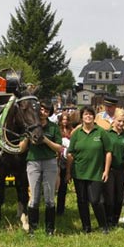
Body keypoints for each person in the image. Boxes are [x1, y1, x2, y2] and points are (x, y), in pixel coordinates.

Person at [66, 106, 112, 234]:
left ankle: (103, 226)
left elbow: (108, 152)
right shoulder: (76, 134)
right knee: (82, 201)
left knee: (95, 200)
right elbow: (70, 154)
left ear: (94, 117)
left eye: (90, 114)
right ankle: (86, 227)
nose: (88, 116)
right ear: (81, 117)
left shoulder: (101, 132)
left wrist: (106, 170)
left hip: (96, 172)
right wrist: (69, 172)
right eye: (85, 114)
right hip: (79, 173)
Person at [19, 101, 63, 235]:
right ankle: (33, 228)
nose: (43, 112)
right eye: (41, 110)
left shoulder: (53, 127)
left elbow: (59, 148)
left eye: (46, 110)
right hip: (33, 162)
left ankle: (49, 229)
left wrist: (45, 140)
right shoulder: (30, 125)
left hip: (49, 162)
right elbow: (21, 149)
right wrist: (27, 138)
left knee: (49, 196)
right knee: (34, 196)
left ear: (49, 113)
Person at [104, 110, 124, 227]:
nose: (120, 124)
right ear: (114, 120)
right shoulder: (107, 134)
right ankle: (108, 219)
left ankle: (115, 219)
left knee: (119, 197)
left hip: (122, 170)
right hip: (110, 169)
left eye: (123, 122)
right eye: (119, 121)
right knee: (110, 196)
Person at [56, 111, 74, 216]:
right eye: (63, 119)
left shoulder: (72, 131)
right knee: (58, 186)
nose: (65, 121)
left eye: (66, 119)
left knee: (64, 186)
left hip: (69, 160)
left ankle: (61, 210)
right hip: (59, 160)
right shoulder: (57, 131)